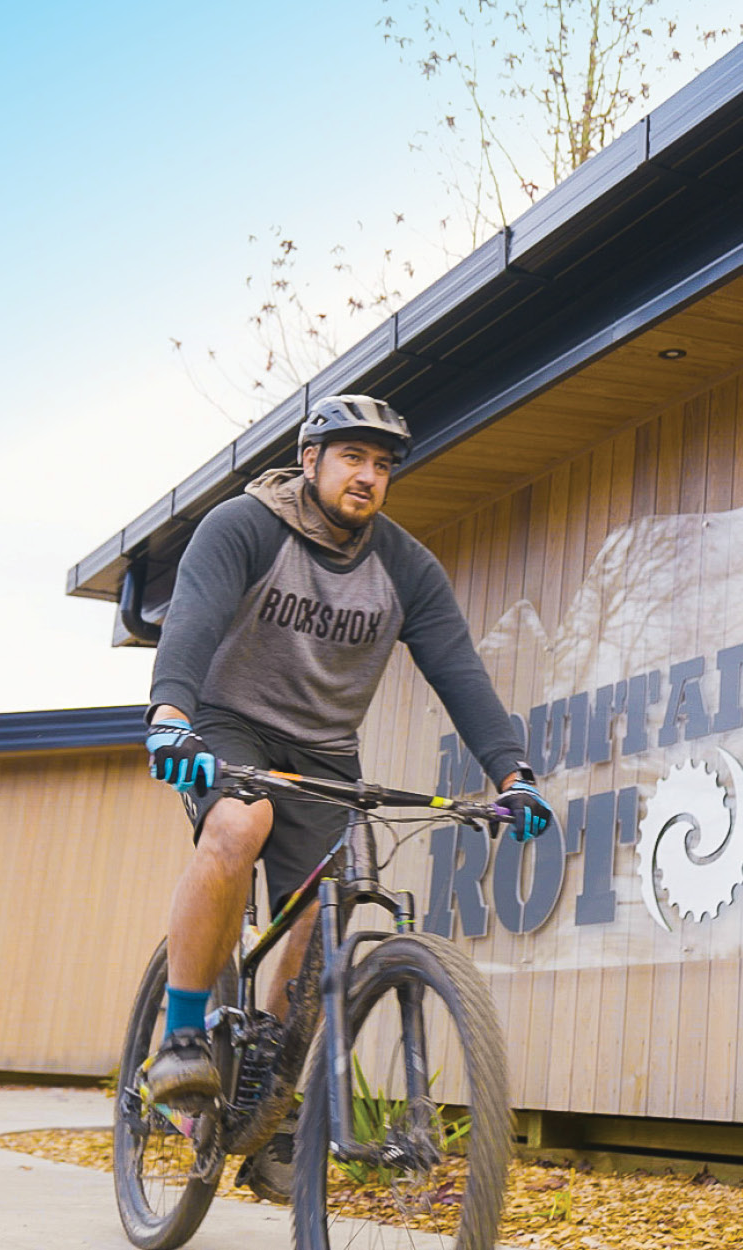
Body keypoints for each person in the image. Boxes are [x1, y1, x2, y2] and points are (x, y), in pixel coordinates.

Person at [139, 394, 552, 1199]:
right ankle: (184, 1033)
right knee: (238, 823)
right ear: (311, 461)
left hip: (326, 750)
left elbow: (458, 671)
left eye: (383, 465)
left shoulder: (403, 566)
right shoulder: (245, 527)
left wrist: (512, 773)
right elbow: (189, 621)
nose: (368, 476)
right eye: (352, 458)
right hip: (229, 724)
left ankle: (272, 1090)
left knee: (329, 904)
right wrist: (170, 719)